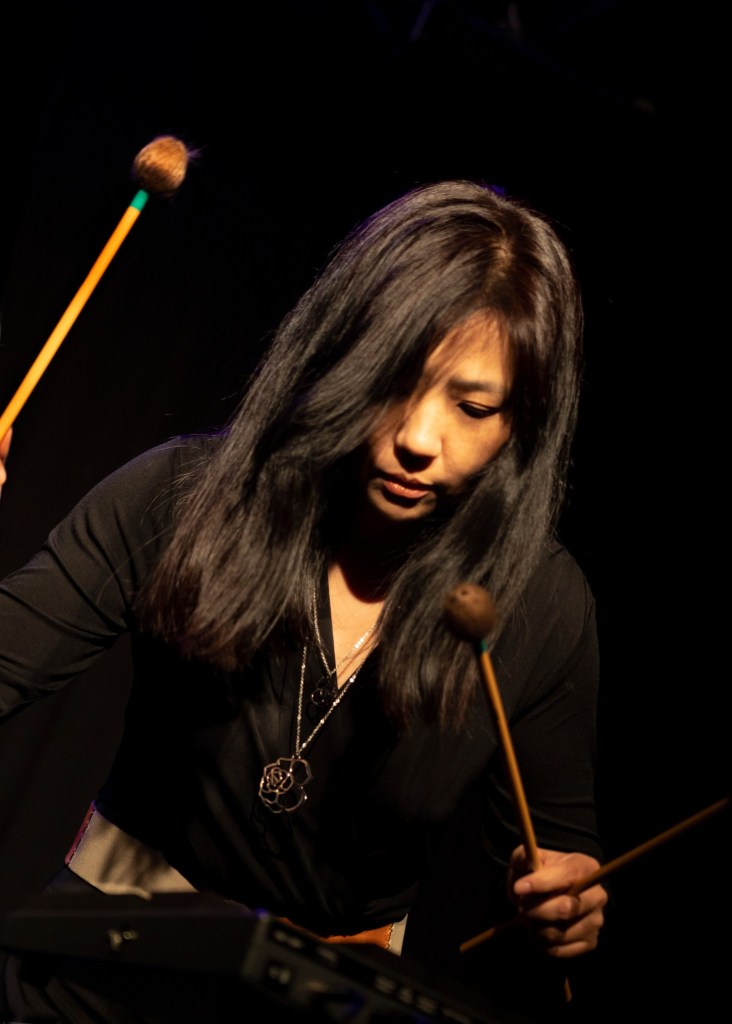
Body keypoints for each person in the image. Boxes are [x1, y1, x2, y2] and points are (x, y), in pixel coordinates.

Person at [0, 179, 607, 1023]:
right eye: (394, 382)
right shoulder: (182, 497)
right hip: (95, 972)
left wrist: (568, 906)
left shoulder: (544, 603)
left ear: (522, 424)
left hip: (331, 1005)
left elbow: (555, 863)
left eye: (473, 407)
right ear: (341, 356)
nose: (419, 439)